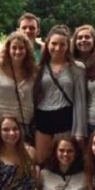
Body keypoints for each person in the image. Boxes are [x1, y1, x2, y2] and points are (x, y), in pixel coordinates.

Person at [32, 26, 88, 165]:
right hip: (42, 117)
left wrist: (80, 131)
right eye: (54, 44)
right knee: (41, 161)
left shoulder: (77, 68)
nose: (57, 48)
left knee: (64, 161)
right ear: (47, 44)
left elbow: (80, 100)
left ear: (68, 46)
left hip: (65, 117)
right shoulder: (38, 67)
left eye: (62, 44)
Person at [0, 32, 36, 142]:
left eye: (21, 48)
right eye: (14, 48)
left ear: (27, 50)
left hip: (22, 121)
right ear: (8, 49)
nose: (17, 51)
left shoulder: (33, 71)